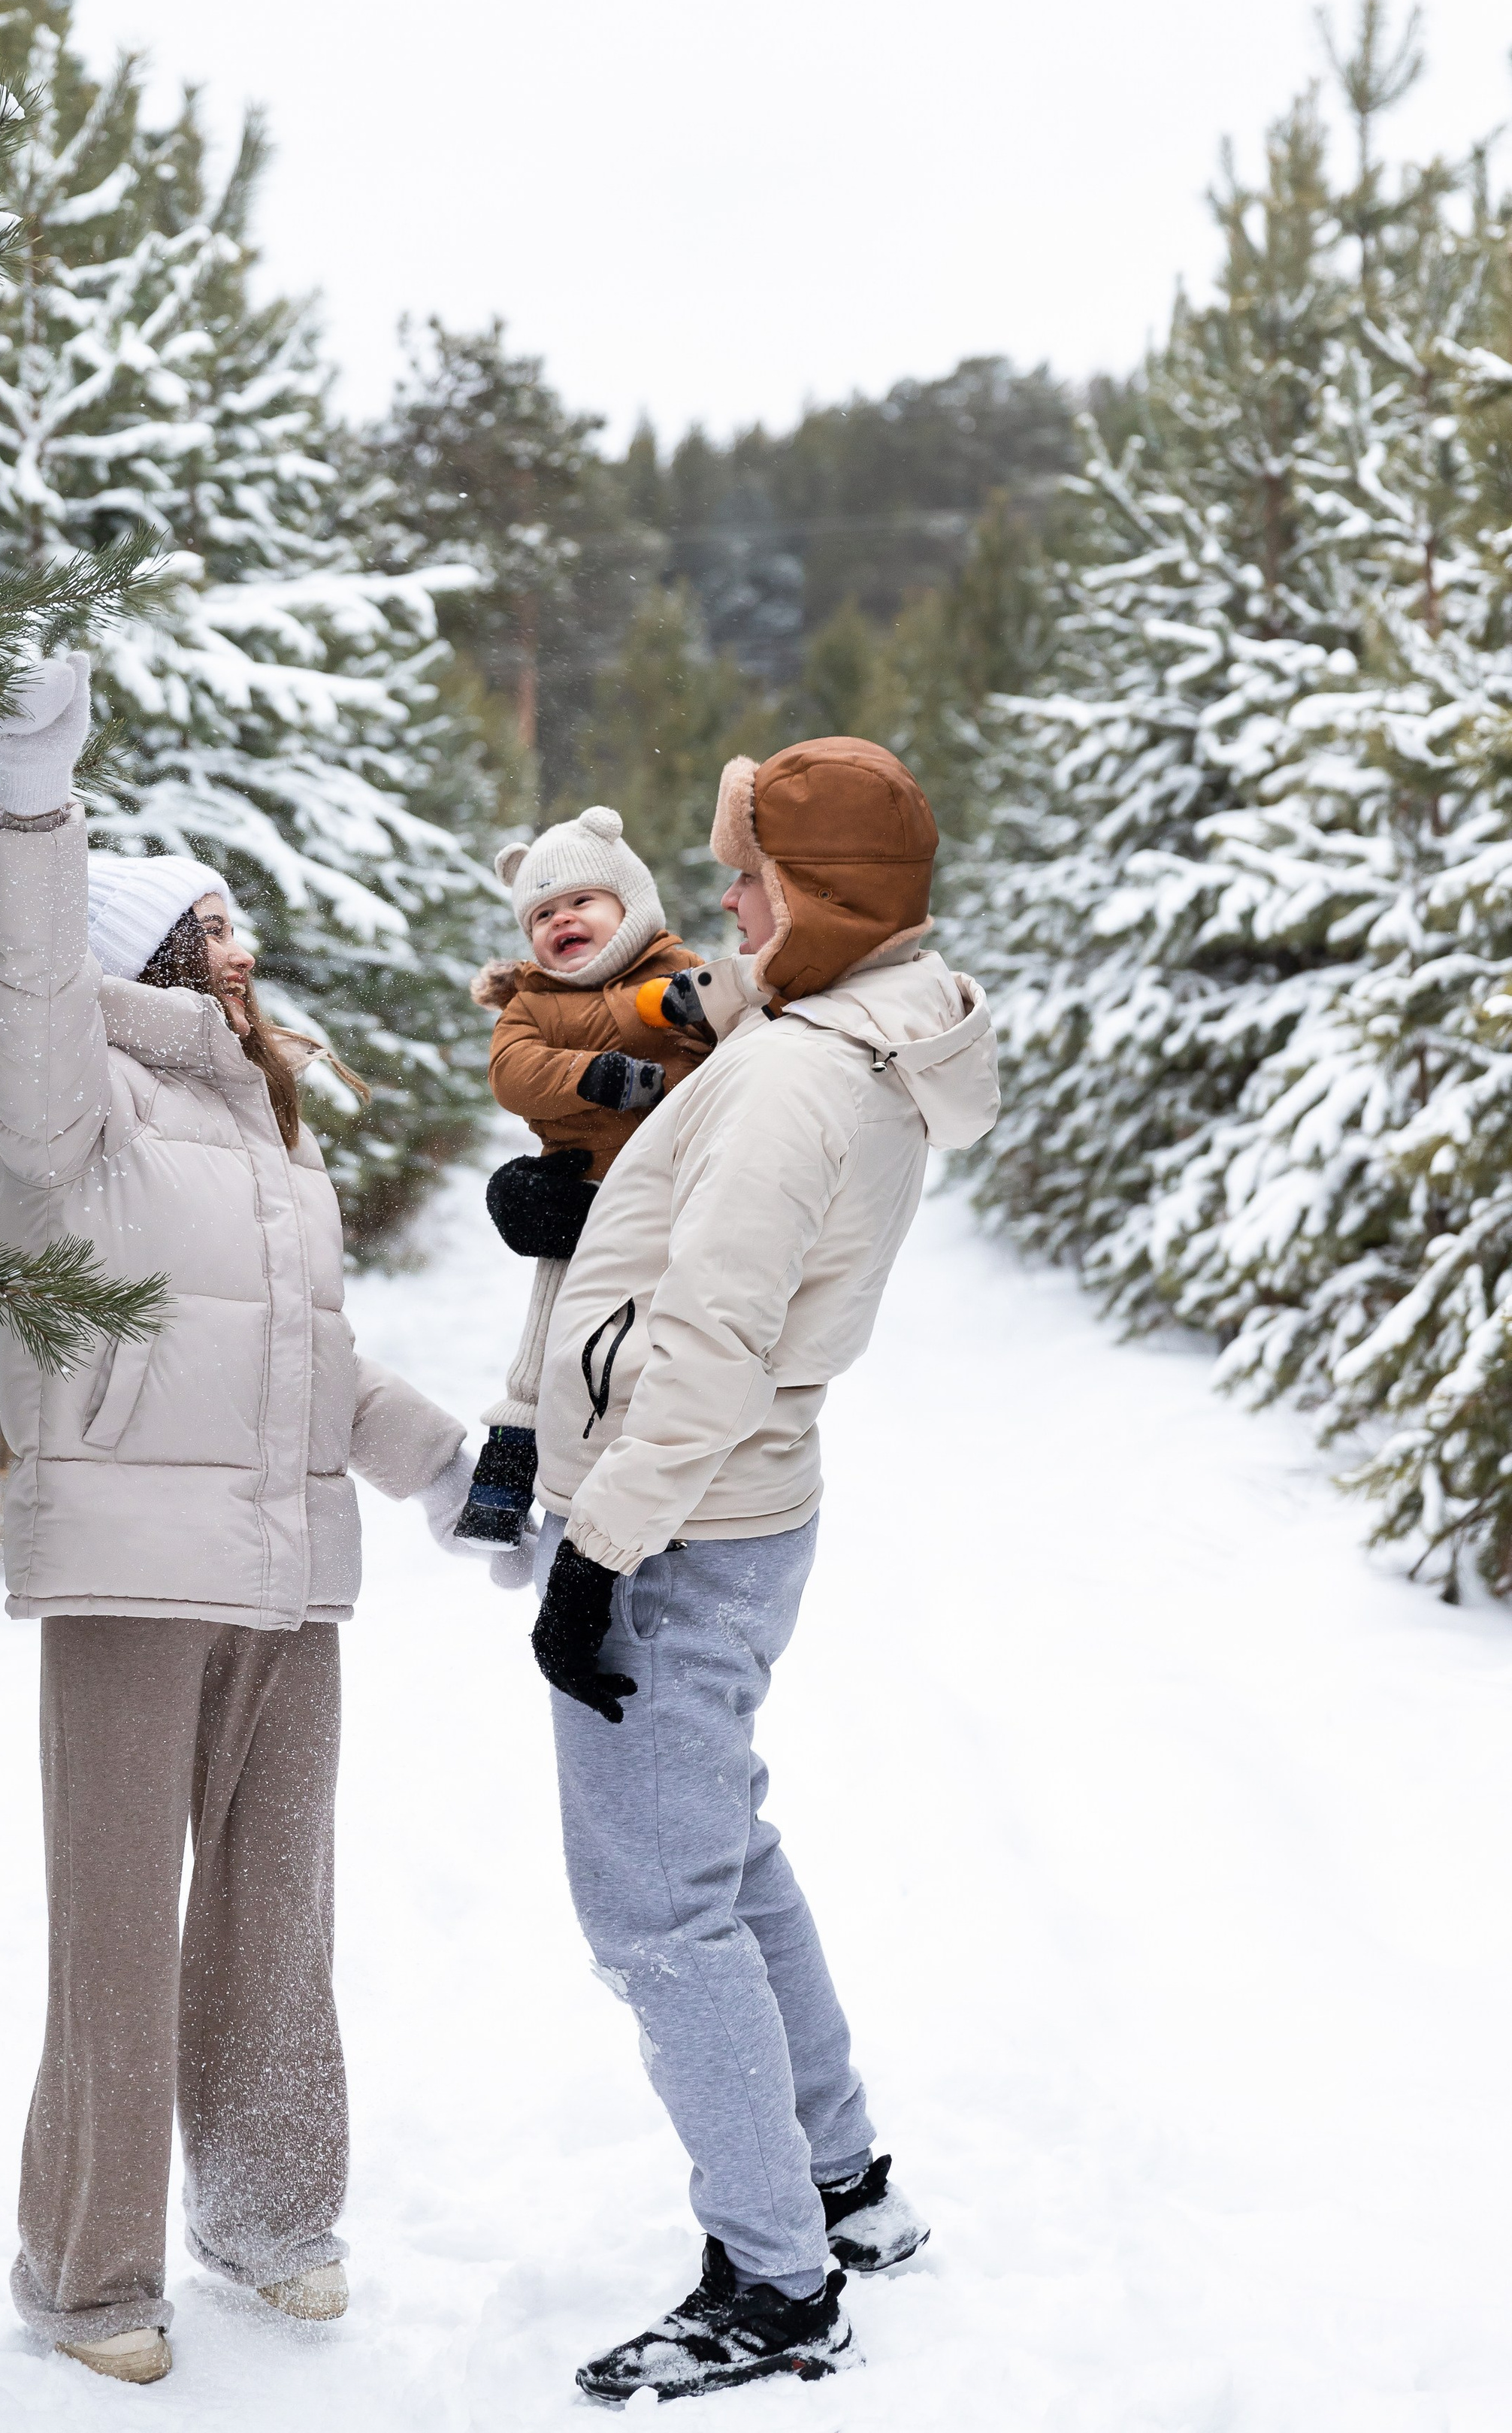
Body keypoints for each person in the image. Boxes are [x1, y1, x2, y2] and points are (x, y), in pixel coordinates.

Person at [0, 656, 488, 2386]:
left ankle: (270, 2218)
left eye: (236, 921)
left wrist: (443, 1467)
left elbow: (307, 1359)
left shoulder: (267, 1127)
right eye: (208, 926)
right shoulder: (79, 1109)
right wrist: (34, 799)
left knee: (278, 1914)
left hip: (288, 1579)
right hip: (130, 1570)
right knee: (117, 1932)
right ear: (145, 957)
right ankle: (89, 2272)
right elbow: (25, 982)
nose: (240, 945)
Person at [525, 736, 1001, 2404]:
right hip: (735, 1509)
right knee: (718, 1851)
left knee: (658, 1912)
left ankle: (776, 2284)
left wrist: (595, 1555)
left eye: (754, 877)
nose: (724, 902)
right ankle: (838, 2178)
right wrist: (589, 1215)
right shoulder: (838, 1036)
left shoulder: (802, 1077)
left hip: (678, 1520)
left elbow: (714, 1343)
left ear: (826, 898)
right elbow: (707, 1217)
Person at [457, 804, 711, 1545]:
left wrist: (685, 1020)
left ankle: (645, 1475)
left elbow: (730, 1040)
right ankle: (506, 1473)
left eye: (581, 901)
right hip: (580, 1191)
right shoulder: (531, 1001)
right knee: (550, 1332)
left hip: (671, 1193)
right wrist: (592, 1076)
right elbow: (511, 1073)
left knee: (654, 1340)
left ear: (630, 902)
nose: (560, 919)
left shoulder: (678, 973)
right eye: (541, 914)